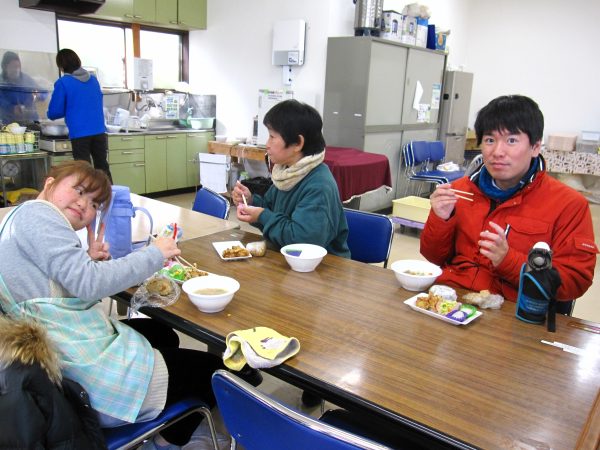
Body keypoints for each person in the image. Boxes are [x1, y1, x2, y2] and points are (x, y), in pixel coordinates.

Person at [0, 160, 224, 448]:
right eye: (79, 190)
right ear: (50, 183)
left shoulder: (15, 220)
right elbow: (89, 283)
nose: (84, 204)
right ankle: (167, 440)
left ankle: (165, 409)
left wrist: (86, 262)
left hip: (56, 359)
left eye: (94, 203)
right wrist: (154, 253)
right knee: (213, 370)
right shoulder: (38, 214)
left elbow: (49, 291)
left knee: (163, 334)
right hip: (83, 381)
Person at [420, 95, 598, 303]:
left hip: (513, 308)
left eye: (511, 140)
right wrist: (440, 220)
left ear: (535, 147)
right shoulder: (459, 191)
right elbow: (433, 257)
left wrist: (508, 261)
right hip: (451, 300)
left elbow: (575, 281)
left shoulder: (568, 204)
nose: (497, 152)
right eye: (490, 140)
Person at [232, 99, 350, 258]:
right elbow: (271, 209)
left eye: (272, 137)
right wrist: (250, 201)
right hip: (287, 257)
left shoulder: (319, 185)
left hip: (321, 266)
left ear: (298, 143)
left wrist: (261, 215)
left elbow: (303, 242)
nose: (267, 144)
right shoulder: (287, 172)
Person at [47, 49, 112, 182]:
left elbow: (55, 112)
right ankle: (109, 193)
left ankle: (88, 195)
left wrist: (52, 113)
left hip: (80, 133)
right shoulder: (93, 80)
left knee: (84, 170)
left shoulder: (63, 83)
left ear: (61, 66)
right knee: (102, 166)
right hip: (99, 130)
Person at [0, 51, 47, 124]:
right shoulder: (2, 83)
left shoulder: (26, 79)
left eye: (18, 67)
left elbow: (44, 92)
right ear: (5, 67)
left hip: (31, 121)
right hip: (9, 123)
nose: (16, 70)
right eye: (13, 67)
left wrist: (39, 95)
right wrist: (11, 108)